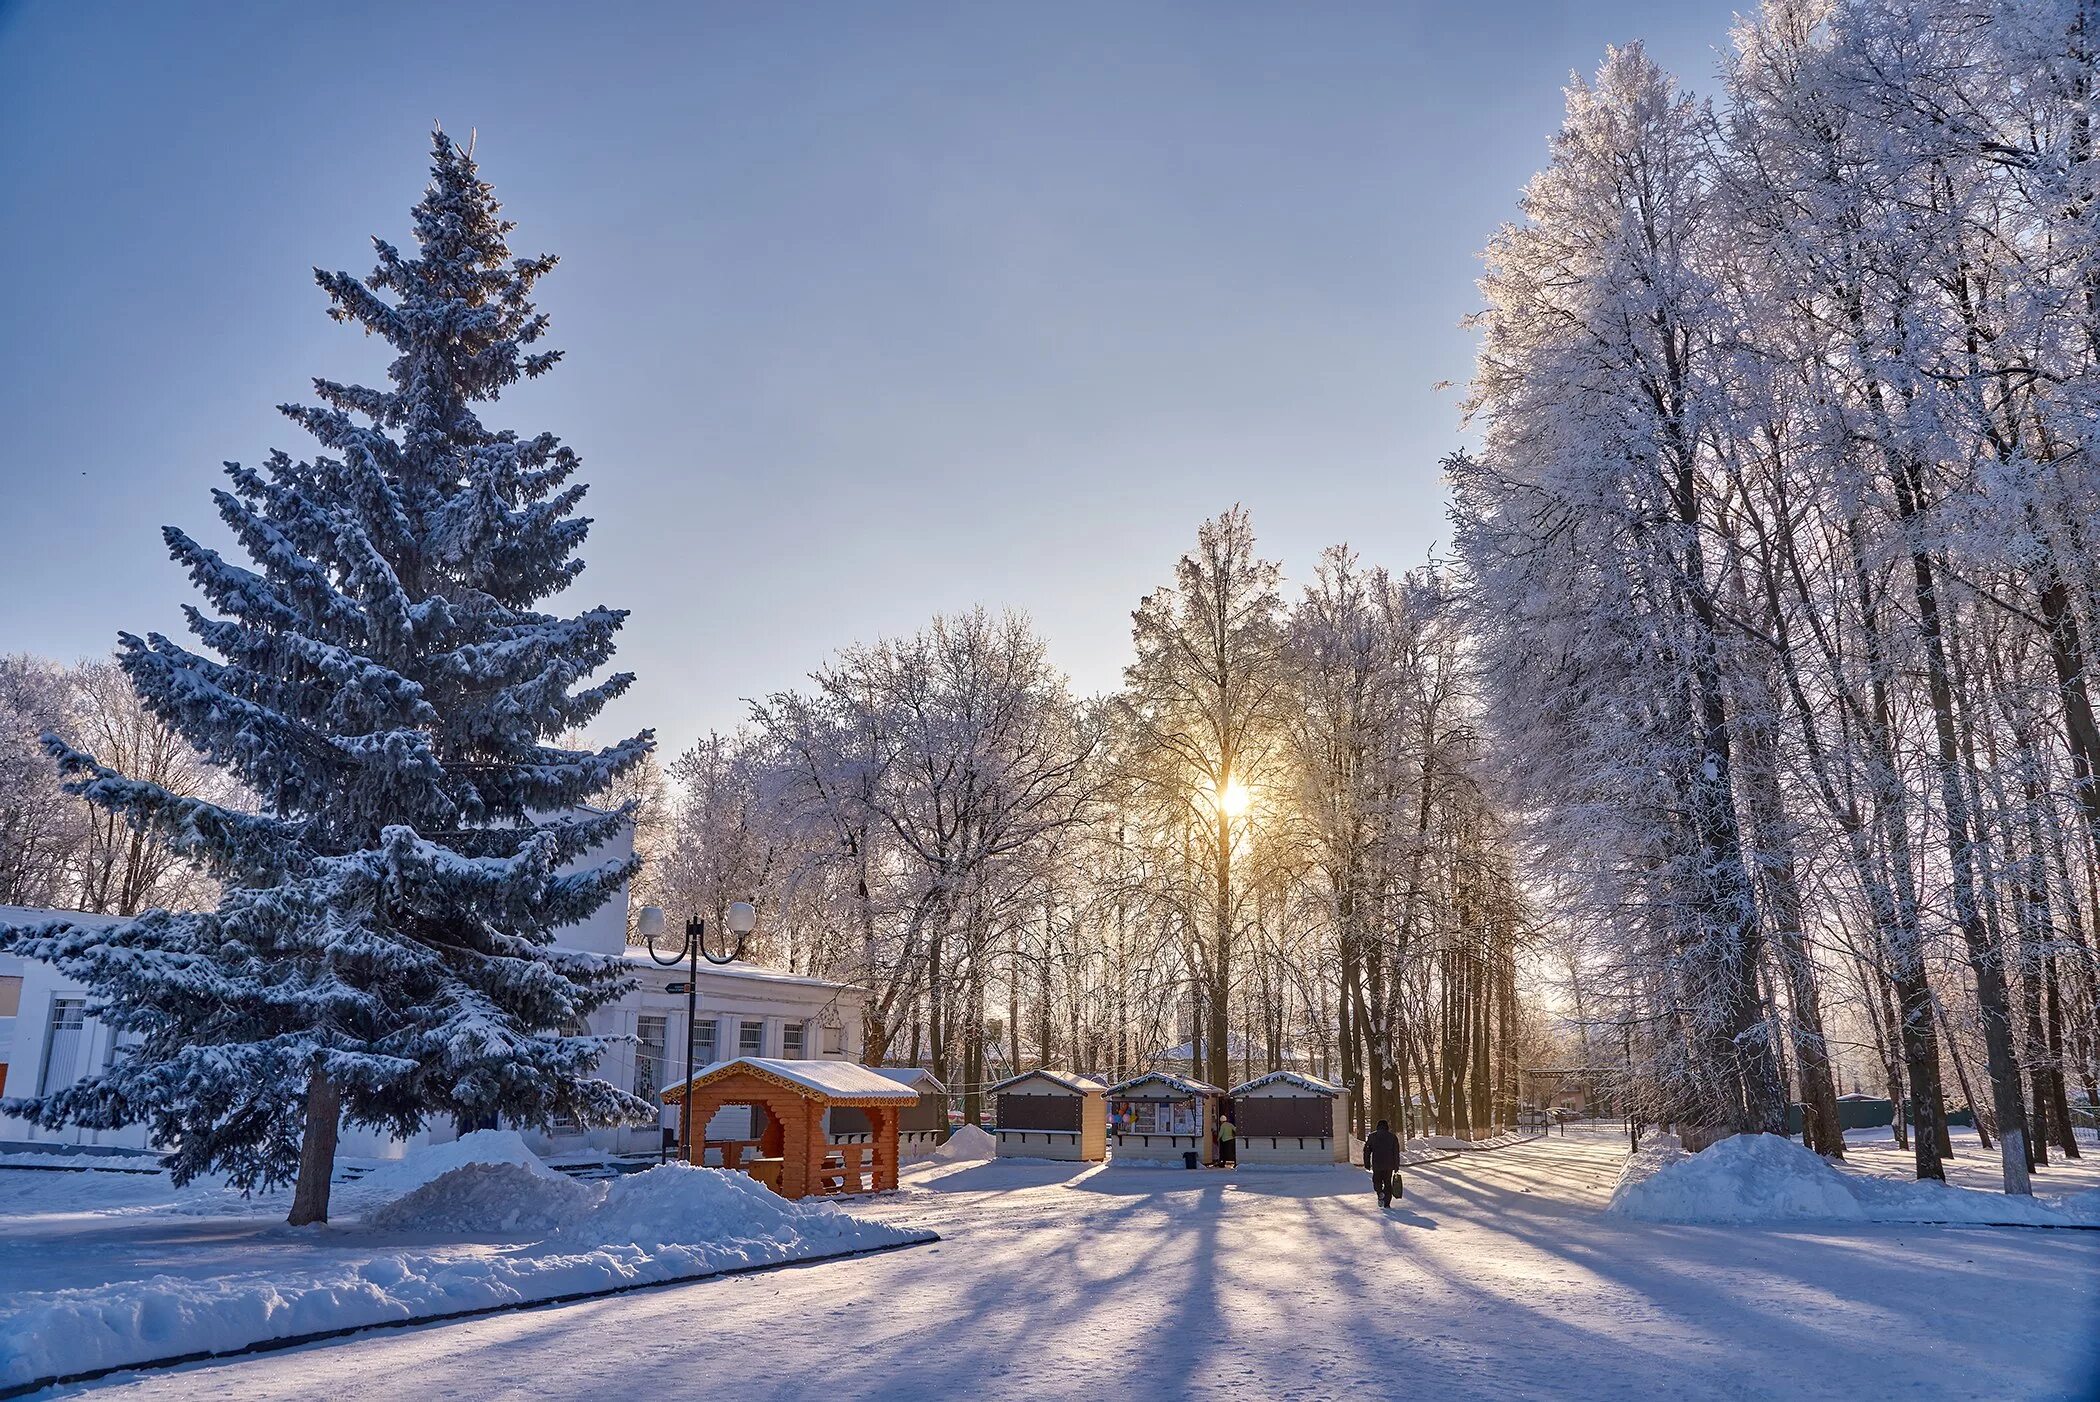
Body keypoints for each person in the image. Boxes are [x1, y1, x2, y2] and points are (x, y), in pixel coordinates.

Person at [1362, 1118, 1402, 1207]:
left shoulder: (1372, 1137)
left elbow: (1367, 1151)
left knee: (1377, 1181)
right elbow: (1396, 1152)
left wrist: (1367, 1163)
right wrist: (1396, 1166)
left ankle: (1380, 1192)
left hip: (1377, 1163)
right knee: (1388, 1183)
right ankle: (1387, 1203)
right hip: (1389, 1165)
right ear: (1387, 1127)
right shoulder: (1392, 1137)